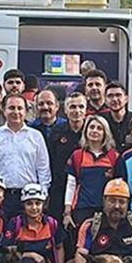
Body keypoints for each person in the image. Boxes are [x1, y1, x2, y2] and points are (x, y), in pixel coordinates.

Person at [0, 93, 50, 220]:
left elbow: (43, 168)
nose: (16, 112)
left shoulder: (36, 136)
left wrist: (42, 195)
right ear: (3, 110)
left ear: (26, 111)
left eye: (20, 108)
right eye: (11, 108)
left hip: (29, 197)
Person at [2, 183, 64, 263]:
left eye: (38, 203)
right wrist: (30, 254)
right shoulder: (15, 224)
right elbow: (5, 250)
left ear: (43, 204)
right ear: (23, 205)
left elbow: (59, 247)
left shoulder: (52, 223)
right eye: (29, 204)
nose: (34, 207)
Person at [64, 114, 120, 235]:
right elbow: (71, 185)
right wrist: (67, 211)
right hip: (82, 209)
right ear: (86, 131)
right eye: (92, 127)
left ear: (105, 133)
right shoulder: (77, 156)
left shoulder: (114, 156)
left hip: (106, 210)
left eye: (99, 128)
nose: (95, 131)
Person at [46, 92, 87, 222]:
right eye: (72, 107)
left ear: (86, 110)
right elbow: (49, 160)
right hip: (59, 188)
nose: (77, 111)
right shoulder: (56, 131)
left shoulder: (92, 131)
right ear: (65, 110)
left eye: (81, 107)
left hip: (84, 190)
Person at [104, 81, 132, 150]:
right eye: (110, 96)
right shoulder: (101, 121)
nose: (114, 99)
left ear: (126, 99)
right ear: (105, 100)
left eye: (118, 95)